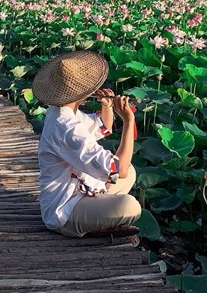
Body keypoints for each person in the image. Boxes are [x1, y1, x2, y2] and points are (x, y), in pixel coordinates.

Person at [32, 50, 141, 240]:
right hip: (65, 208)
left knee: (131, 171)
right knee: (130, 206)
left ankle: (100, 215)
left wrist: (107, 106)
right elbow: (118, 168)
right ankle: (88, 225)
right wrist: (128, 122)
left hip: (81, 188)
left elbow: (102, 127)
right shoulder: (66, 128)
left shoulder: (62, 111)